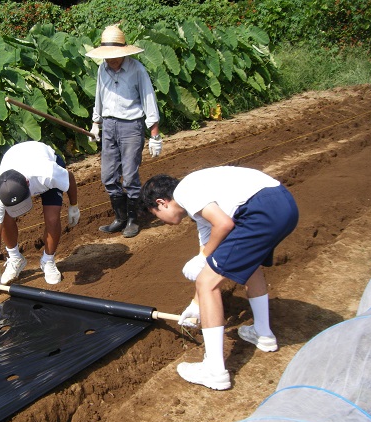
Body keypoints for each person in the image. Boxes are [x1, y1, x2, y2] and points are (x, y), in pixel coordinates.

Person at [139, 167, 299, 390]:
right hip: (283, 205)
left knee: (207, 283)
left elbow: (224, 226)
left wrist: (203, 261)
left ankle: (214, 371)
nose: (162, 221)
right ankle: (263, 333)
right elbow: (210, 251)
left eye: (156, 215)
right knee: (249, 267)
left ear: (162, 202)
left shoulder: (185, 191)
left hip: (261, 211)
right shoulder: (199, 206)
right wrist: (196, 303)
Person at [86, 24, 162, 238]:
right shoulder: (102, 68)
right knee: (108, 177)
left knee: (129, 178)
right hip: (109, 125)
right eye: (107, 56)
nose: (111, 60)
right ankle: (119, 218)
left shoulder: (137, 69)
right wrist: (96, 123)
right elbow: (99, 96)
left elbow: (149, 99)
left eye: (114, 56)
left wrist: (154, 134)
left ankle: (132, 219)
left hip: (131, 126)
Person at [0, 141, 80, 293]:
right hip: (17, 160)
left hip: (43, 161)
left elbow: (70, 178)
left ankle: (48, 260)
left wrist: (74, 206)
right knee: (6, 218)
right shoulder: (1, 192)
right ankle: (15, 258)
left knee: (52, 219)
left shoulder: (48, 173)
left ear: (28, 184)